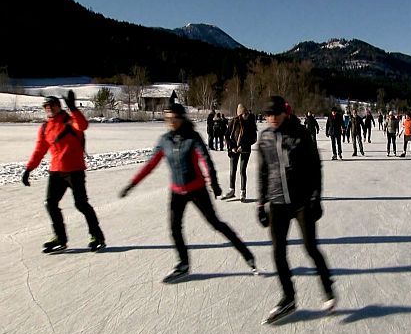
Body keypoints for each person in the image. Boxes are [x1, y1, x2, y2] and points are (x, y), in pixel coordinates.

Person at [119, 101, 256, 283]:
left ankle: (246, 253)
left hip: (197, 189)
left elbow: (205, 159)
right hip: (177, 191)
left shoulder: (192, 137)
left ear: (182, 118)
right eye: (167, 119)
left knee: (215, 223)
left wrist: (213, 182)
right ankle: (183, 264)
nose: (171, 122)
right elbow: (150, 164)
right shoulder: (165, 141)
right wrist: (132, 183)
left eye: (175, 118)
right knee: (175, 228)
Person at [257, 95, 336, 324]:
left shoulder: (301, 134)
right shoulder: (265, 138)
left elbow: (315, 167)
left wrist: (316, 198)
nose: (271, 118)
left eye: (275, 114)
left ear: (285, 113)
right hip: (277, 202)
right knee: (278, 252)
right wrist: (261, 203)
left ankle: (327, 288)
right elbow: (263, 172)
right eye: (267, 115)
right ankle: (288, 297)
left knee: (310, 248)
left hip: (301, 201)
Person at [23, 92, 106, 253]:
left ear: (58, 106)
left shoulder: (70, 120)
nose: (49, 109)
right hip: (56, 171)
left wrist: (74, 108)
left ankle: (97, 236)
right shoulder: (45, 127)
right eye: (46, 107)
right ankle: (60, 238)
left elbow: (83, 126)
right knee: (50, 203)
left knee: (81, 204)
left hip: (75, 170)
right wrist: (29, 169)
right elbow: (39, 150)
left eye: (52, 105)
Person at [222, 104, 257, 202]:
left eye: (246, 113)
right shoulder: (233, 122)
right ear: (239, 114)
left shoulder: (250, 122)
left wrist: (244, 146)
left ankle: (243, 192)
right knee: (232, 170)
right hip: (234, 150)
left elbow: (254, 138)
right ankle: (231, 190)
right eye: (244, 114)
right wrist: (232, 147)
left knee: (242, 170)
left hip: (245, 150)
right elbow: (227, 136)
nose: (246, 115)